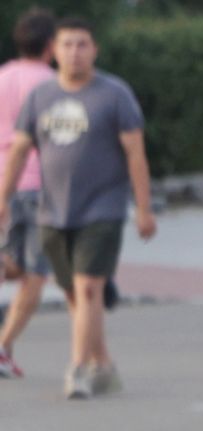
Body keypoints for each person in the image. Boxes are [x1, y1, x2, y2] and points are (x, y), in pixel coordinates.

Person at [0, 17, 154, 400]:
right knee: (76, 294)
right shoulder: (41, 96)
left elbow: (135, 152)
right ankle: (103, 363)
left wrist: (144, 207)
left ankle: (78, 370)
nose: (74, 52)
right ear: (54, 50)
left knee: (86, 289)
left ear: (94, 50)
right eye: (67, 45)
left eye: (82, 44)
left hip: (102, 208)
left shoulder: (114, 94)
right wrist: (1, 199)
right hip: (50, 209)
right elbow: (19, 150)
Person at [0, 7, 54, 380]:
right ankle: (3, 348)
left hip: (2, 182)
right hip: (39, 183)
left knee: (13, 264)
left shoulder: (1, 77)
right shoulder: (54, 84)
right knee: (36, 273)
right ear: (52, 45)